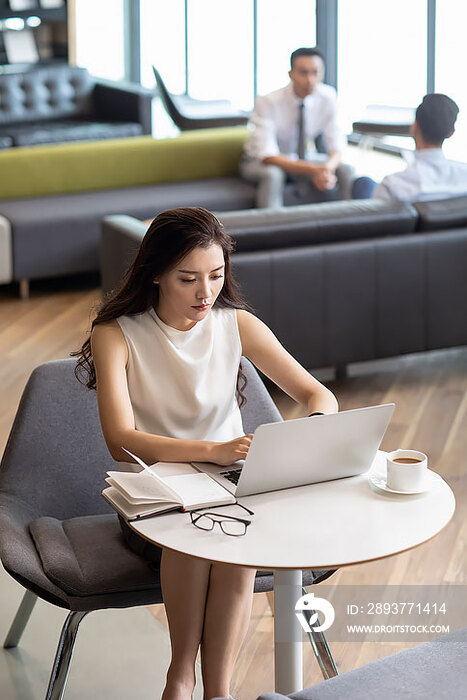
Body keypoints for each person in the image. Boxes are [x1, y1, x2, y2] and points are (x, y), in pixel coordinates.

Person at [74, 206, 338, 700]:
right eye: (188, 278)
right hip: (156, 498)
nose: (205, 292)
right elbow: (120, 438)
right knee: (201, 538)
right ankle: (181, 673)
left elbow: (319, 395)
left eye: (216, 276)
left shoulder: (235, 324)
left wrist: (311, 434)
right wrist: (210, 450)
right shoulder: (116, 333)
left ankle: (217, 691)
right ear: (155, 274)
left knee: (233, 541)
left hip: (232, 486)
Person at [240, 47, 349, 208]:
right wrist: (313, 170)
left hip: (300, 157)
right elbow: (268, 155)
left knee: (346, 170)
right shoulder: (268, 101)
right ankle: (273, 228)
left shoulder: (328, 97)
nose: (311, 80)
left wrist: (326, 169)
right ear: (291, 74)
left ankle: (348, 223)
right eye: (304, 73)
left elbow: (337, 145)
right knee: (273, 174)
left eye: (316, 72)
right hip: (259, 161)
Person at [353, 93, 467, 201]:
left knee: (363, 183)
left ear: (414, 126)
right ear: (451, 133)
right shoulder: (464, 176)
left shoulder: (392, 185)